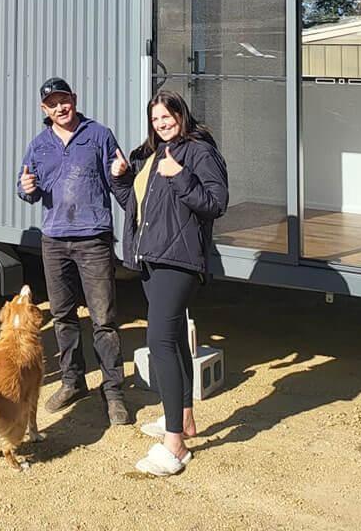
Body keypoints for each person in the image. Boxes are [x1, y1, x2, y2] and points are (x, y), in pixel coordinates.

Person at [110, 90, 228, 477]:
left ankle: (174, 443)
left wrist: (180, 177)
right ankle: (184, 420)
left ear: (181, 114)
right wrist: (121, 180)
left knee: (158, 340)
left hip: (179, 260)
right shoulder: (152, 154)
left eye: (167, 116)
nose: (162, 124)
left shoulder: (198, 151)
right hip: (152, 258)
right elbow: (137, 206)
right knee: (174, 338)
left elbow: (216, 202)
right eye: (156, 119)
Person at [17, 76, 129, 425]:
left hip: (93, 238)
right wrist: (25, 189)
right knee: (63, 316)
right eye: (52, 104)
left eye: (64, 100)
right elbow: (28, 190)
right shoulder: (38, 145)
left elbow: (118, 183)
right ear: (44, 109)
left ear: (74, 99)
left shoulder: (99, 135)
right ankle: (72, 381)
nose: (60, 107)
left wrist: (123, 174)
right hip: (54, 240)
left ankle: (113, 392)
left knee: (104, 320)